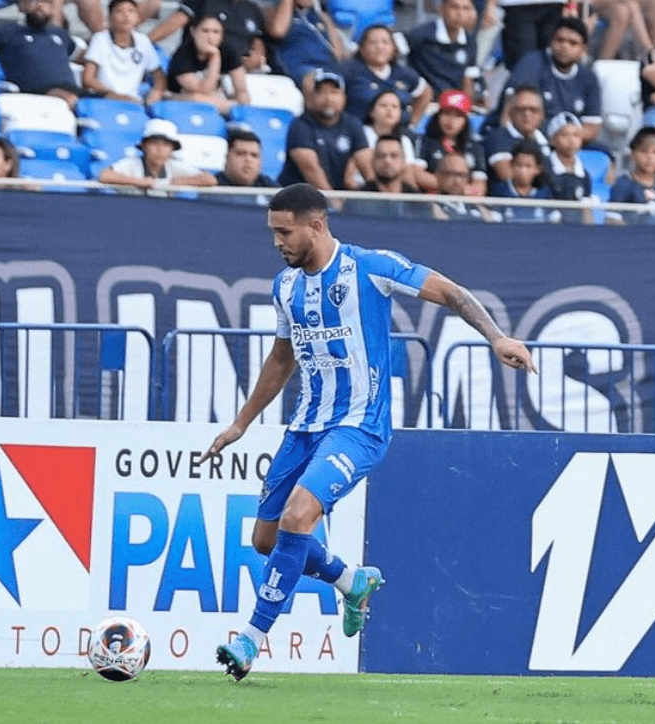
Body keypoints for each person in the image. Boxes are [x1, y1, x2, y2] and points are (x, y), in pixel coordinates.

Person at [211, 182, 534, 680]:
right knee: (265, 539)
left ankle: (250, 642)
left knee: (299, 517)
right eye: (274, 232)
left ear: (315, 225)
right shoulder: (285, 287)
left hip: (359, 425)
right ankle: (350, 580)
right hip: (305, 427)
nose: (277, 242)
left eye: (284, 231)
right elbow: (282, 358)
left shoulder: (370, 267)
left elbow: (450, 292)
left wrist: (496, 337)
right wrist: (241, 421)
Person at [0, 0, 81, 108]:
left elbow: (85, 58)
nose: (40, 4)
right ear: (22, 5)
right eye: (35, 0)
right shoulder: (8, 32)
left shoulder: (60, 35)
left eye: (46, 1)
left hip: (72, 94)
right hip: (36, 97)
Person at [499, 18, 603, 144]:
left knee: (606, 155)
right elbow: (509, 111)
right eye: (560, 40)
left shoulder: (589, 77)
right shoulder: (532, 62)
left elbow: (592, 127)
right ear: (551, 42)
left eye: (573, 43)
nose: (564, 46)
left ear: (584, 49)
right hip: (529, 141)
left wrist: (565, 137)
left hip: (568, 144)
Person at [278, 69, 372, 191]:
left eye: (334, 92)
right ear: (311, 97)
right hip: (299, 198)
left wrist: (378, 198)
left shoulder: (352, 124)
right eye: (321, 92)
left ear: (344, 97)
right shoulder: (300, 126)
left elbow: (367, 166)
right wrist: (334, 206)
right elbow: (312, 172)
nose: (328, 99)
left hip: (339, 196)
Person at [82, 0, 166, 105]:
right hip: (105, 99)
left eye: (131, 11)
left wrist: (156, 93)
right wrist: (112, 94)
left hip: (134, 102)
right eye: (119, 11)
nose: (126, 16)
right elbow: (88, 78)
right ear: (110, 18)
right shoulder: (100, 39)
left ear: (137, 17)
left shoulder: (143, 41)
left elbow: (159, 76)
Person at [342, 25, 428, 126]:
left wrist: (412, 123)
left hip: (397, 135)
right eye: (372, 42)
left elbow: (425, 92)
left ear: (393, 48)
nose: (379, 47)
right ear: (361, 48)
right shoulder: (348, 71)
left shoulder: (404, 74)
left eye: (385, 42)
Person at [166, 15, 250, 115]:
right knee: (197, 98)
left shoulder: (229, 51)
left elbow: (241, 90)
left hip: (218, 100)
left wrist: (242, 105)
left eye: (216, 32)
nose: (210, 36)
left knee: (243, 99)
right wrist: (215, 58)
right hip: (181, 100)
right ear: (193, 31)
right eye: (205, 31)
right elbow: (203, 91)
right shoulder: (182, 54)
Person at [99, 119, 218, 188]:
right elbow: (104, 175)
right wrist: (140, 182)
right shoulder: (131, 163)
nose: (160, 149)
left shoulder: (174, 166)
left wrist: (178, 181)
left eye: (166, 145)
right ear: (145, 146)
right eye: (155, 143)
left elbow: (210, 180)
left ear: (172, 149)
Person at [149, 0, 268, 67]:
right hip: (201, 68)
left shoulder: (252, 8)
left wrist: (257, 57)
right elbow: (174, 22)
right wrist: (142, 42)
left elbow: (257, 39)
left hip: (242, 72)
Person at [266, 0, 348, 96]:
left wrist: (328, 23)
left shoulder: (317, 15)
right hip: (300, 69)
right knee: (323, 87)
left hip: (328, 67)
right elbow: (277, 31)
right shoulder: (273, 10)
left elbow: (339, 54)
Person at [404, 0, 481, 102]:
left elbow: (469, 77)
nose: (460, 13)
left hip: (455, 105)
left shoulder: (470, 41)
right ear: (442, 9)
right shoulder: (420, 34)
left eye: (466, 8)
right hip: (426, 103)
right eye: (454, 7)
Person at [415, 88, 488, 195]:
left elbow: (479, 187)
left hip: (464, 203)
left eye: (458, 116)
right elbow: (418, 175)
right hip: (432, 200)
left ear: (465, 121)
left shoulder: (475, 148)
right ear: (438, 115)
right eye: (446, 113)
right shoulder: (425, 142)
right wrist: (449, 186)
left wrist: (456, 189)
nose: (451, 120)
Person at [345, 89, 421, 188]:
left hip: (394, 195)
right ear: (371, 111)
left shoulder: (404, 141)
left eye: (395, 107)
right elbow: (349, 178)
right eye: (383, 105)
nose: (389, 110)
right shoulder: (359, 133)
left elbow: (408, 177)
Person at [483, 84, 551, 183]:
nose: (527, 114)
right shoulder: (497, 138)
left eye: (533, 110)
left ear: (542, 115)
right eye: (521, 109)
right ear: (511, 112)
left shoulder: (546, 140)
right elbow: (509, 177)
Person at [608, 126, 655, 223]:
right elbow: (612, 219)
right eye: (643, 151)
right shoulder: (622, 184)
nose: (650, 157)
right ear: (632, 155)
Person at [488, 139, 556, 223]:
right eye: (519, 165)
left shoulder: (545, 193)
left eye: (528, 166)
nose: (523, 170)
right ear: (511, 165)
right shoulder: (500, 191)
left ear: (538, 169)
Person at [431, 153, 493, 221]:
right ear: (438, 175)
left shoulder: (481, 210)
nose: (457, 181)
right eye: (451, 174)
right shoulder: (430, 208)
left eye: (461, 175)